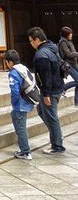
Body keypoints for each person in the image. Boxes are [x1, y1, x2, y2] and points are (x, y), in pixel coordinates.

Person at [28, 26, 65, 154]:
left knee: (51, 117)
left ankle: (57, 145)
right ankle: (57, 135)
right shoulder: (53, 48)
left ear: (37, 39)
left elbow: (45, 76)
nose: (31, 44)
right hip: (58, 86)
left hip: (51, 90)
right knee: (42, 111)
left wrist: (46, 94)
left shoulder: (41, 54)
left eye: (31, 41)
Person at [5, 50, 35, 160]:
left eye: (7, 62)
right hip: (27, 101)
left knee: (21, 127)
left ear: (10, 62)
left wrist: (14, 103)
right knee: (16, 119)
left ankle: (25, 152)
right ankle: (23, 147)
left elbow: (15, 91)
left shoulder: (13, 72)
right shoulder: (23, 68)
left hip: (20, 104)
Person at [58, 26, 78, 106]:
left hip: (74, 64)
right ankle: (63, 88)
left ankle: (77, 102)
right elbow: (68, 54)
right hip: (68, 65)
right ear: (66, 34)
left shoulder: (69, 41)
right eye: (70, 34)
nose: (71, 35)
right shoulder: (63, 42)